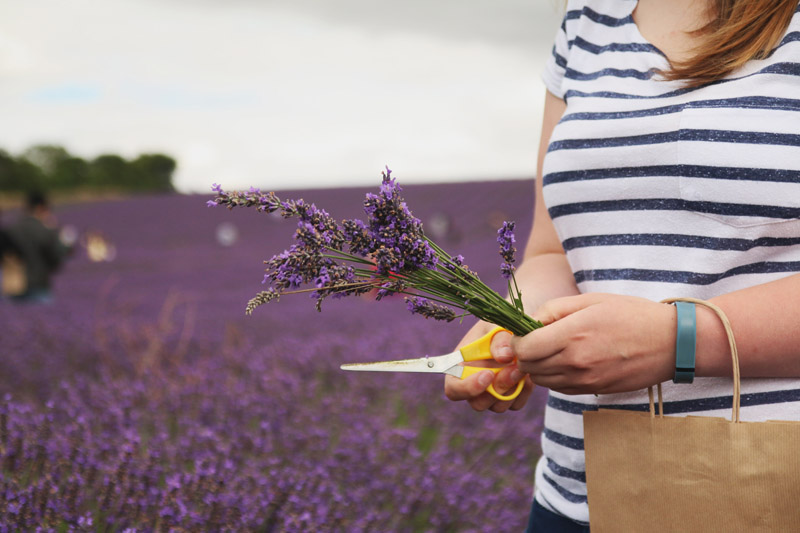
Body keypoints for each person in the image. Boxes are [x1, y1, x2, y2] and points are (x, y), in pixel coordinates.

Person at [445, 0, 800, 530]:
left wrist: (676, 339)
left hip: (771, 495)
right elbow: (553, 251)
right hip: (578, 498)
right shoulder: (588, 17)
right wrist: (514, 325)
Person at [4, 190, 71, 303]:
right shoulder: (44, 230)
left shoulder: (11, 230)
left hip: (14, 287)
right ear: (41, 208)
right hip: (38, 286)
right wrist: (65, 244)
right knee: (43, 318)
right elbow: (55, 258)